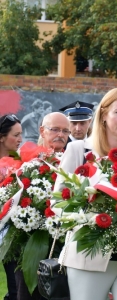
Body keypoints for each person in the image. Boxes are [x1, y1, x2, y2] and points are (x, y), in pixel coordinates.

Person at [54, 88, 117, 300]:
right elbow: (57, 203)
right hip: (88, 256)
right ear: (103, 115)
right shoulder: (78, 150)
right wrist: (90, 216)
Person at [14, 112, 69, 300]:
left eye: (65, 131)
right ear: (42, 131)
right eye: (55, 129)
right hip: (32, 244)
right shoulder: (26, 163)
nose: (60, 135)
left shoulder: (75, 164)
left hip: (66, 248)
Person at [0, 114, 22, 300]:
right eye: (16, 135)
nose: (20, 139)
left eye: (21, 134)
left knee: (15, 289)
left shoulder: (21, 163)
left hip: (11, 235)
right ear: (2, 137)